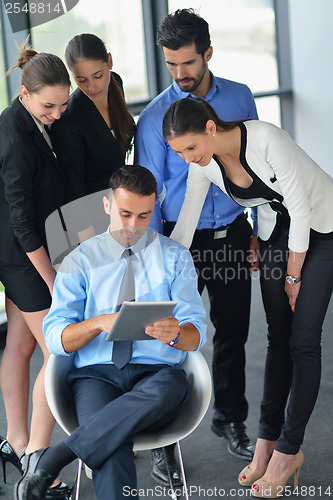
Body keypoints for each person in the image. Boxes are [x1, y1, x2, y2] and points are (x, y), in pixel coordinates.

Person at [162, 96, 333, 497]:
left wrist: (294, 278)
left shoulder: (266, 138)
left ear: (209, 128)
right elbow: (187, 223)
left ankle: (289, 450)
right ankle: (266, 444)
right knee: (277, 336)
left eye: (190, 148)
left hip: (321, 228)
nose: (187, 159)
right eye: (178, 153)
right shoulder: (205, 167)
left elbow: (303, 211)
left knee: (303, 341)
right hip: (278, 231)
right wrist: (161, 272)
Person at [14, 165, 207, 500]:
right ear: (107, 205)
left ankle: (59, 455)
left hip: (156, 376)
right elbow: (56, 337)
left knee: (174, 384)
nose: (134, 226)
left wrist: (176, 333)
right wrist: (99, 323)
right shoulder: (79, 260)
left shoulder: (174, 257)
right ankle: (70, 451)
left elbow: (196, 334)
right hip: (96, 377)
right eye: (125, 213)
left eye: (144, 216)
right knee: (111, 442)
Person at [135, 8, 257, 482]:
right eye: (170, 65)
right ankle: (164, 438)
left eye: (187, 62)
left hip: (232, 235)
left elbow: (254, 168)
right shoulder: (152, 120)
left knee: (233, 334)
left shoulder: (242, 98)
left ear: (208, 53)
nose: (180, 74)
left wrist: (255, 230)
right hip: (176, 242)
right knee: (170, 341)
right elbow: (147, 192)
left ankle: (231, 420)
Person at [0, 37, 72, 498]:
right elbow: (24, 221)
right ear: (26, 94)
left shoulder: (29, 117)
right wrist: (53, 279)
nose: (58, 114)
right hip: (23, 257)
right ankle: (39, 470)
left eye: (63, 105)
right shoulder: (15, 135)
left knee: (22, 344)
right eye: (50, 106)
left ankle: (16, 440)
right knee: (59, 352)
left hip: (16, 251)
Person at [51, 33, 136, 205]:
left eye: (98, 76)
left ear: (109, 61)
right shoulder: (68, 121)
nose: (91, 87)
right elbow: (74, 192)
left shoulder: (116, 83)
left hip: (125, 203)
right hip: (95, 213)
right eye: (81, 80)